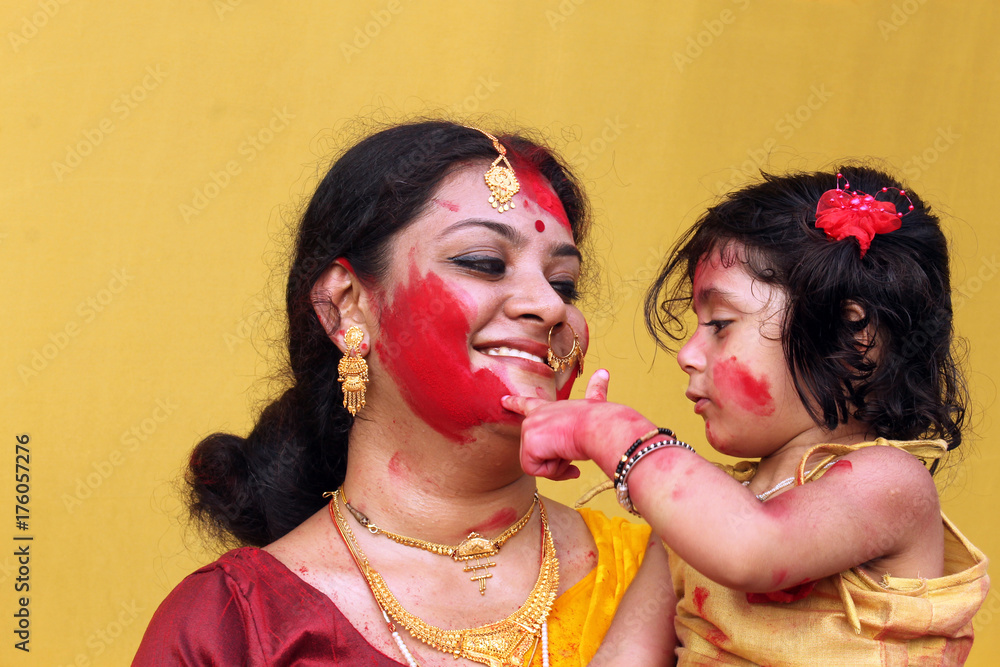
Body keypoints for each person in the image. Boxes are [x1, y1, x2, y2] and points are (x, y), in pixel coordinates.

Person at [132, 120, 662, 667]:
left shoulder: (671, 578)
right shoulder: (236, 627)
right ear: (346, 305)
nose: (550, 307)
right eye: (483, 262)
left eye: (563, 283)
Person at [505, 166, 990, 664]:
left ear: (849, 337)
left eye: (720, 323)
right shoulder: (689, 531)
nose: (687, 354)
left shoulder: (889, 484)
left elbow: (751, 548)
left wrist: (615, 435)